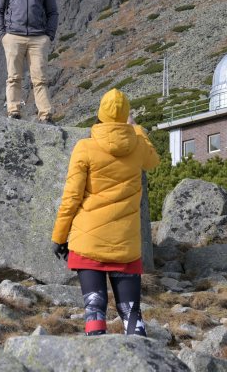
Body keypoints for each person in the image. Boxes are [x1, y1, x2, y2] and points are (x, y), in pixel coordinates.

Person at [51, 89, 160, 336]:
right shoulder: (139, 146)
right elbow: (154, 161)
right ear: (125, 116)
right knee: (132, 315)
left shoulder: (85, 147)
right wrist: (137, 129)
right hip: (126, 247)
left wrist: (59, 237)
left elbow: (71, 198)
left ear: (100, 113)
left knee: (94, 311)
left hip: (88, 241)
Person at [0, 0, 59, 122]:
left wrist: (48, 35)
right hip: (13, 37)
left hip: (38, 38)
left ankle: (45, 115)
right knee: (14, 77)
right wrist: (2, 35)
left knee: (40, 79)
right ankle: (13, 111)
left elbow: (53, 12)